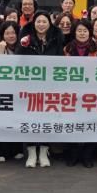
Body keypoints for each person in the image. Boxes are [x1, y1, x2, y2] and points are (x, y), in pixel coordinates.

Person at [16, 11, 64, 167]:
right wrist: (22, 46)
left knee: (46, 118)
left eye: (44, 22)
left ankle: (43, 151)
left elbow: (60, 61)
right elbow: (17, 61)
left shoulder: (56, 39)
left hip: (50, 86)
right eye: (38, 22)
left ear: (49, 24)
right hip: (29, 86)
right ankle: (31, 152)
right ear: (33, 24)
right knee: (30, 118)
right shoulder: (26, 38)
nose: (41, 24)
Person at [63, 19, 97, 168]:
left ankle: (87, 154)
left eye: (85, 31)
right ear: (74, 32)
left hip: (92, 93)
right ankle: (73, 153)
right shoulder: (67, 49)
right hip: (71, 93)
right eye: (79, 30)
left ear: (90, 32)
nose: (82, 33)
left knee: (90, 123)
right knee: (71, 123)